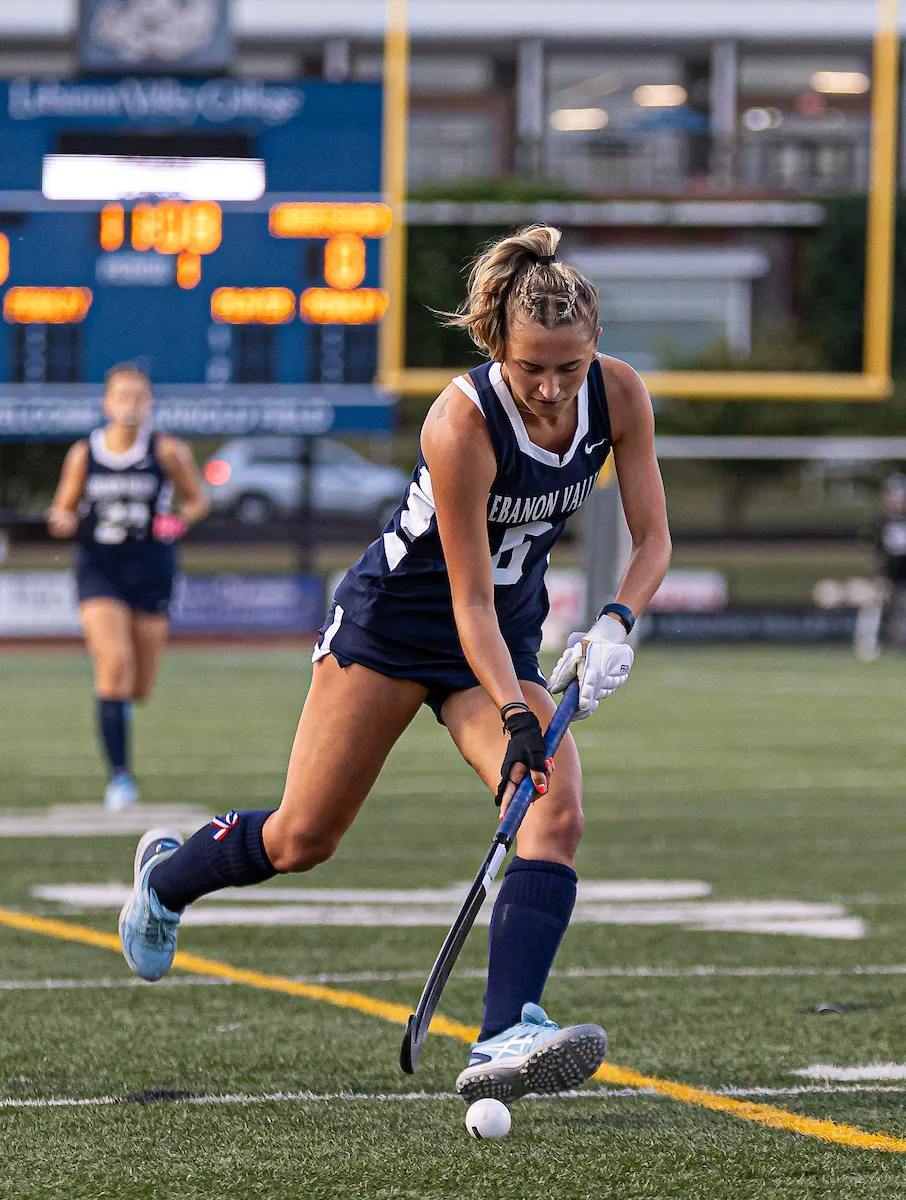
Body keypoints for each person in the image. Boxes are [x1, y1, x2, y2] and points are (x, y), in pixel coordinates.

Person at [119, 226, 671, 1102]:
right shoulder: (462, 421)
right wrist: (520, 719)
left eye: (570, 366)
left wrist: (615, 622)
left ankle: (504, 1031)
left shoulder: (619, 396)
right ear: (497, 344)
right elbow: (467, 604)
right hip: (397, 627)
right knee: (304, 836)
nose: (552, 388)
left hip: (500, 637)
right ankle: (167, 878)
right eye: (534, 366)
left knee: (553, 807)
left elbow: (653, 541)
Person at [48, 363, 209, 809]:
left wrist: (178, 519)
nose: (130, 404)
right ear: (106, 403)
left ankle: (119, 712)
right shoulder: (86, 452)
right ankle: (120, 777)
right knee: (114, 664)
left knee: (139, 686)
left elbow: (197, 500)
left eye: (139, 396)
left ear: (150, 402)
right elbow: (61, 508)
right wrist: (62, 520)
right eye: (122, 395)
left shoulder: (167, 450)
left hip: (152, 568)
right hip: (99, 568)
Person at [854, 472, 906, 660]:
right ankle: (867, 644)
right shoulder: (881, 521)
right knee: (877, 606)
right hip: (888, 574)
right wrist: (879, 572)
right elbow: (873, 547)